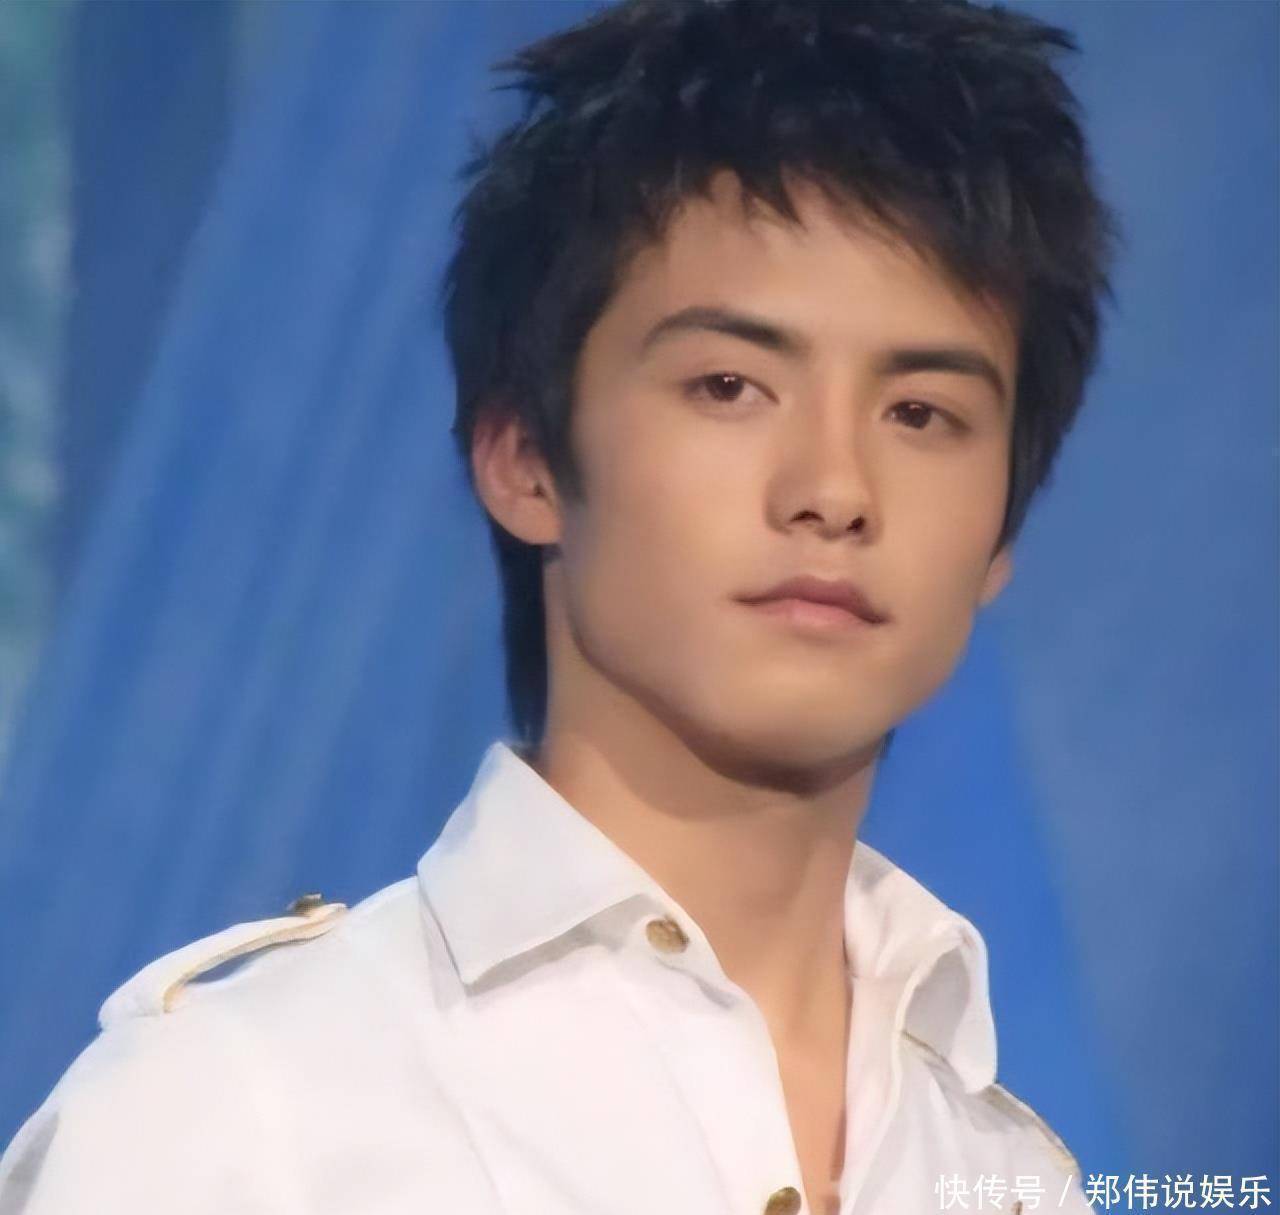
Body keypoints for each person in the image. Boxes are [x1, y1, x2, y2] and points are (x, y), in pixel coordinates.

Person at [0, 0, 1120, 1212]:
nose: (834, 490)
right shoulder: (236, 1116)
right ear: (524, 458)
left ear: (1001, 531)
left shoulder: (1011, 1181)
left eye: (919, 415)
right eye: (729, 385)